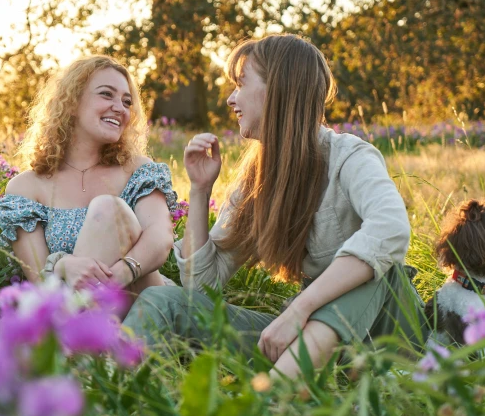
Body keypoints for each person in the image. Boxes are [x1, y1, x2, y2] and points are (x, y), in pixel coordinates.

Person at [122, 35, 428, 378]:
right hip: (307, 340)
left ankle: (273, 399)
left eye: (241, 83)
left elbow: (391, 230)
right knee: (164, 302)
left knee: (376, 268)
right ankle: (111, 392)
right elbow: (202, 286)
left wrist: (300, 308)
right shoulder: (258, 179)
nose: (230, 98)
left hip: (385, 335)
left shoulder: (350, 157)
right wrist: (199, 189)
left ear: (278, 89)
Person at [0, 56, 177, 298]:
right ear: (71, 102)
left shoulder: (138, 170)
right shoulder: (27, 188)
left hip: (142, 305)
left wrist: (115, 277)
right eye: (106, 94)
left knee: (108, 208)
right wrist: (61, 265)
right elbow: (39, 278)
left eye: (127, 101)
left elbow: (160, 238)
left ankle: (75, 329)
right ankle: (83, 330)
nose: (120, 108)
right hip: (73, 308)